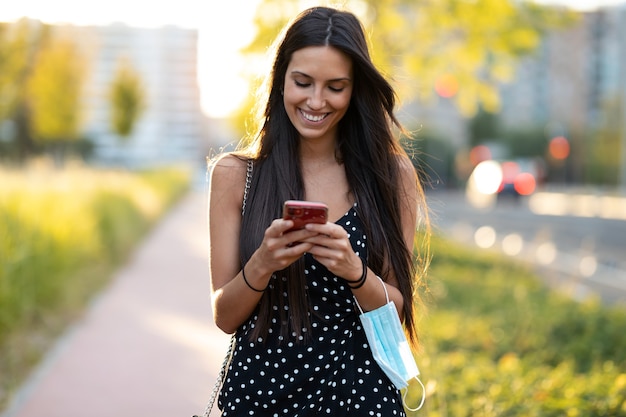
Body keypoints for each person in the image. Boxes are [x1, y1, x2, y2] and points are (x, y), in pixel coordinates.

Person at [207, 6, 430, 416]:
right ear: (281, 81)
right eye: (303, 82)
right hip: (261, 394)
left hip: (360, 393)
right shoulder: (236, 175)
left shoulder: (390, 175)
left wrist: (354, 270)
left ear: (355, 89)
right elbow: (224, 315)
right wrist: (262, 263)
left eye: (335, 86)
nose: (316, 100)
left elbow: (394, 308)